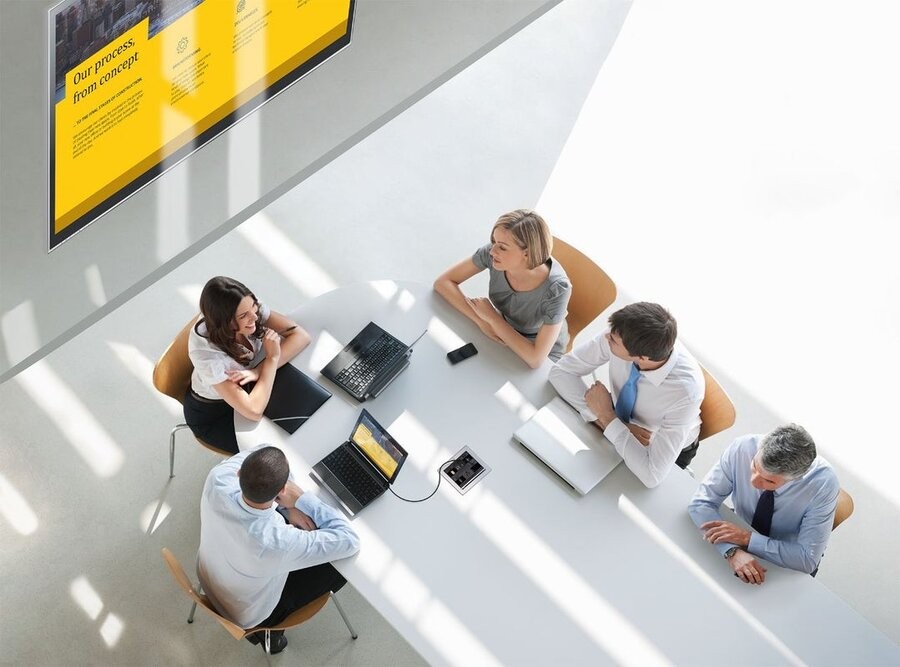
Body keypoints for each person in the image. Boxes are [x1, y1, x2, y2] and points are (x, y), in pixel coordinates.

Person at [198, 445, 360, 653]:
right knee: (340, 568)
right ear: (283, 489)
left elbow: (264, 448)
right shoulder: (276, 542)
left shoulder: (218, 479)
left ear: (239, 473)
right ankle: (271, 636)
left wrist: (286, 507)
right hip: (247, 614)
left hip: (209, 576)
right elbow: (349, 540)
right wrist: (301, 499)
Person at [548, 302, 704, 488]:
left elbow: (652, 475)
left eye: (613, 340)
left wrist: (607, 416)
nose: (607, 337)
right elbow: (561, 372)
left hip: (656, 446)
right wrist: (607, 420)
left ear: (643, 358)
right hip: (616, 424)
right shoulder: (623, 332)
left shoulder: (685, 393)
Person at [688, 424, 839, 585]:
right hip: (739, 532)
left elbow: (807, 559)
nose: (754, 481)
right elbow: (701, 502)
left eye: (769, 480)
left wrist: (747, 538)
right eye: (754, 467)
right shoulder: (743, 448)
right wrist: (731, 550)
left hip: (785, 558)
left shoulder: (823, 484)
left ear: (796, 478)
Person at [184, 276, 311, 453]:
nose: (255, 317)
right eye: (244, 316)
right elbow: (253, 410)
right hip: (216, 413)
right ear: (224, 322)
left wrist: (258, 371)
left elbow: (300, 336)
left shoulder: (246, 305)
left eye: (254, 308)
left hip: (248, 386)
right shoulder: (205, 354)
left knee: (305, 410)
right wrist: (272, 359)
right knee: (280, 450)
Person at [433, 209, 572, 368]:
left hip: (536, 347)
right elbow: (443, 282)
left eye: (503, 247)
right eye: (494, 241)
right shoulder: (494, 254)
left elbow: (535, 359)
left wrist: (492, 319)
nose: (492, 251)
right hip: (503, 329)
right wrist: (480, 320)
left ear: (526, 253)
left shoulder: (558, 289)